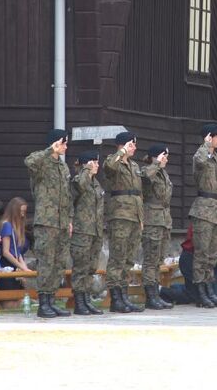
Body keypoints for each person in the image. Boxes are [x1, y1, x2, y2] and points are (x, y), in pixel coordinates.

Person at [25, 128, 73, 318]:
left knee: (59, 263)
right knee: (46, 262)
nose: (66, 146)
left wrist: (69, 219)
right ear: (56, 143)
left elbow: (67, 197)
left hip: (61, 222)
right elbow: (29, 161)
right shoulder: (42, 163)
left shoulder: (63, 167)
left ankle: (51, 300)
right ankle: (43, 303)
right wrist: (48, 150)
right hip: (46, 221)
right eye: (64, 142)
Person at [188, 123, 217, 308]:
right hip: (203, 209)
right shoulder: (201, 155)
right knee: (202, 253)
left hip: (215, 210)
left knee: (212, 254)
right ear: (209, 137)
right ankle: (200, 292)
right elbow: (200, 162)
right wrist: (205, 146)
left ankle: (209, 289)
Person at [103, 131, 145, 313]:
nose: (134, 147)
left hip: (134, 217)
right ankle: (115, 299)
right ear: (123, 145)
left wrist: (141, 218)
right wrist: (121, 153)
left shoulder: (134, 166)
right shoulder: (113, 161)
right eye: (131, 144)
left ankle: (124, 295)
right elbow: (109, 168)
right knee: (117, 258)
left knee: (128, 259)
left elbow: (139, 193)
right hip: (120, 216)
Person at [70, 150, 105, 316]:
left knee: (91, 267)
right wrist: (85, 170)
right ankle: (79, 302)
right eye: (95, 162)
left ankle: (86, 299)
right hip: (82, 231)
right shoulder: (79, 180)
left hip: (96, 231)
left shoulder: (96, 183)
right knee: (81, 267)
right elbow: (79, 188)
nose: (97, 165)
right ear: (87, 164)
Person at [140, 143, 174, 310]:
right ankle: (150, 296)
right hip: (152, 220)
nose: (166, 159)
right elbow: (144, 178)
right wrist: (156, 163)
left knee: (159, 259)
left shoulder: (163, 173)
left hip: (164, 220)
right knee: (150, 260)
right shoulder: (148, 170)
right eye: (164, 156)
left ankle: (156, 294)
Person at [0, 197, 31, 278]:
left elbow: (17, 251)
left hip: (16, 262)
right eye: (21, 211)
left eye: (24, 212)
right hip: (7, 264)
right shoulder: (7, 225)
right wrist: (22, 267)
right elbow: (6, 252)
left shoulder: (16, 227)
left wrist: (24, 267)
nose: (23, 214)